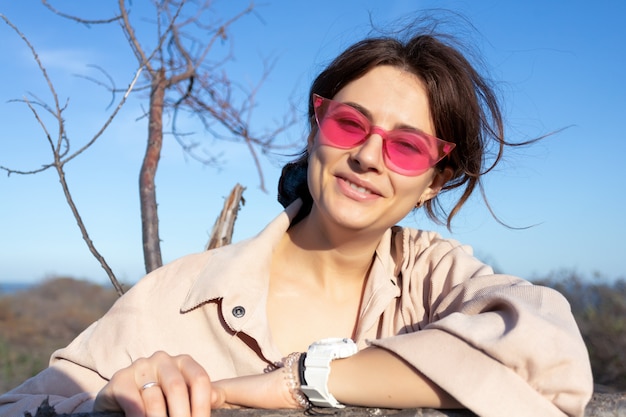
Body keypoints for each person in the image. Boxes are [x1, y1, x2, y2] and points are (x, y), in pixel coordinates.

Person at [0, 25, 592, 417]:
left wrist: (294, 382)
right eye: (348, 124)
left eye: (407, 147)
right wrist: (109, 401)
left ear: (434, 180)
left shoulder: (431, 279)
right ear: (315, 131)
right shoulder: (181, 295)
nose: (367, 156)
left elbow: (553, 358)